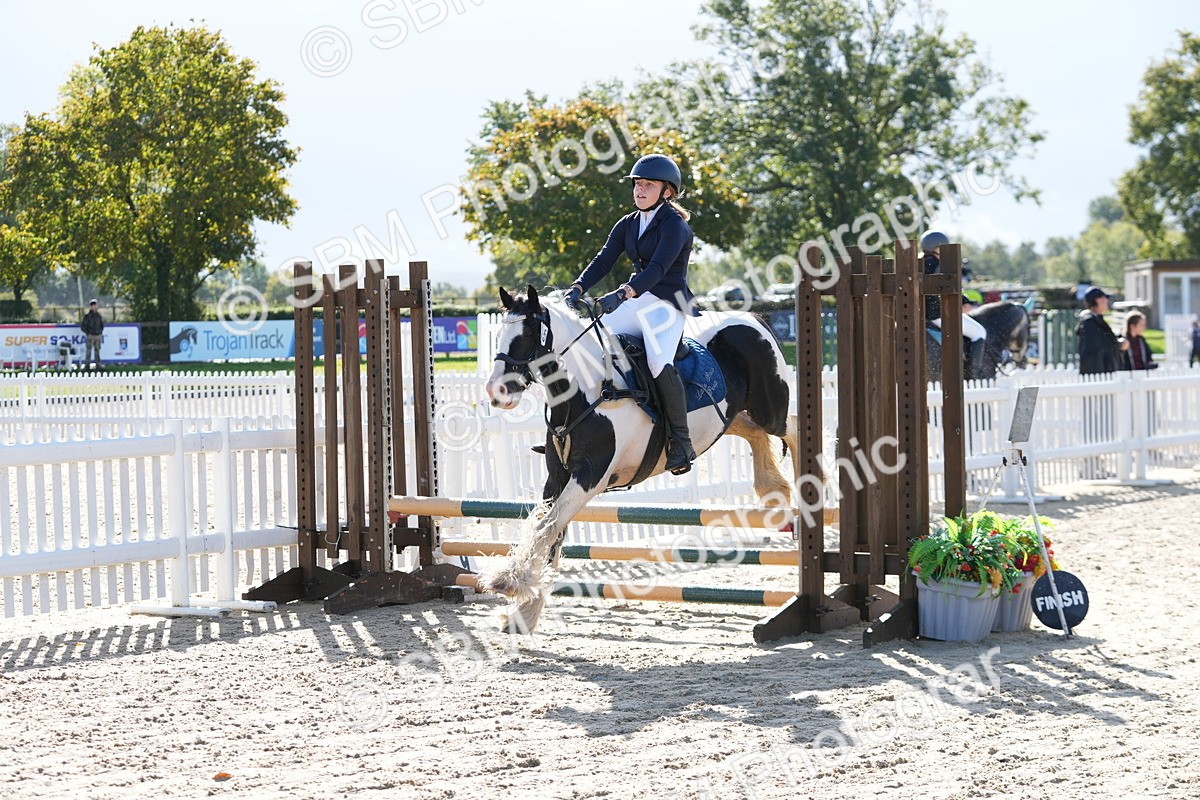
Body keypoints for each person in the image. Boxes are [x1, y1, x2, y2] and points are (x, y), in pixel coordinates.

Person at [563, 153, 698, 475]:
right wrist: (579, 287)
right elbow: (604, 259)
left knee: (656, 361)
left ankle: (681, 441)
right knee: (589, 341)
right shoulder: (628, 223)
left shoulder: (674, 225)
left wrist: (623, 293)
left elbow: (657, 269)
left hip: (667, 303)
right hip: (637, 299)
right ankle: (572, 426)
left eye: (647, 185)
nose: (639, 190)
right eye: (637, 184)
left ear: (667, 191)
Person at [920, 231, 988, 378]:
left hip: (919, 313)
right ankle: (973, 374)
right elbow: (949, 287)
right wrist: (966, 302)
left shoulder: (919, 262)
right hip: (936, 314)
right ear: (937, 247)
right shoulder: (938, 265)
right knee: (980, 333)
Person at [1076, 287, 1125, 375]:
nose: (1107, 300)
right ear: (1098, 300)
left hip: (1104, 373)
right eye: (1104, 297)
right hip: (1098, 376)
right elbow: (1096, 350)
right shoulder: (1089, 323)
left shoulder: (1097, 321)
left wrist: (1118, 344)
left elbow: (1104, 343)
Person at [81, 299, 105, 370]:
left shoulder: (98, 316)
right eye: (92, 305)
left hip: (97, 335)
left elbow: (101, 325)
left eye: (95, 305)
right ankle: (87, 366)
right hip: (90, 335)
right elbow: (83, 326)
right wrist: (88, 333)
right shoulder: (87, 316)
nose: (94, 307)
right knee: (89, 351)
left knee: (97, 350)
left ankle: (98, 365)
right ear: (90, 307)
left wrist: (100, 333)